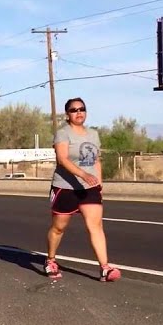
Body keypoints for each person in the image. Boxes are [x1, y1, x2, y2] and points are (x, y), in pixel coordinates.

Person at [44, 97, 122, 283]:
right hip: (65, 187)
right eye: (74, 110)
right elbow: (62, 159)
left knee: (95, 226)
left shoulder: (93, 134)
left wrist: (99, 183)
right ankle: (51, 260)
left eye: (82, 109)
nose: (78, 112)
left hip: (89, 188)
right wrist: (82, 174)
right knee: (59, 228)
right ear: (67, 114)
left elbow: (96, 160)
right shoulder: (63, 134)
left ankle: (105, 268)